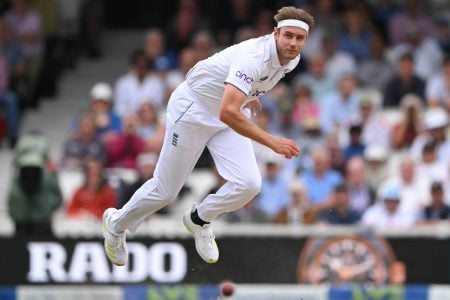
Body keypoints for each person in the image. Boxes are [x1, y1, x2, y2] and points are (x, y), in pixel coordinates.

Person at [102, 6, 313, 266]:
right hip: (194, 110)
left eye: (299, 38)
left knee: (249, 184)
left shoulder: (291, 60)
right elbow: (228, 112)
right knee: (166, 191)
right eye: (288, 36)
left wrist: (251, 96)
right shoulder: (253, 56)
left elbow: (242, 94)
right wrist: (272, 142)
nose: (293, 43)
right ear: (275, 33)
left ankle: (199, 219)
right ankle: (116, 224)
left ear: (305, 40)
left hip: (227, 113)